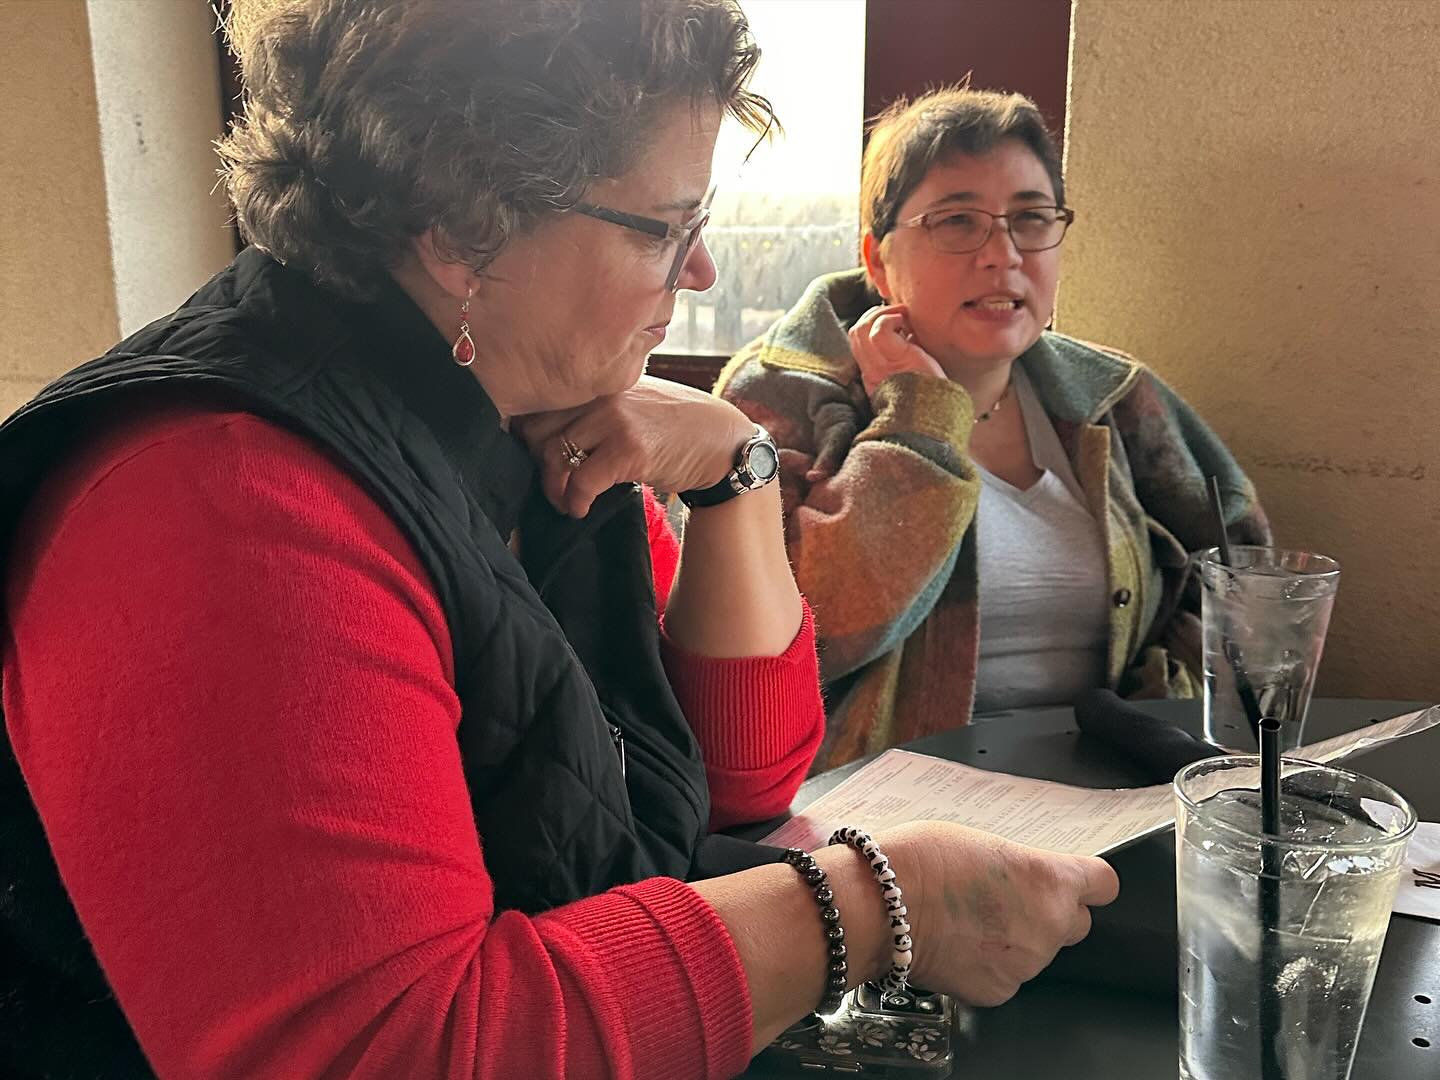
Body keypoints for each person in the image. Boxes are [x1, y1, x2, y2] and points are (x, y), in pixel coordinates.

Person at [0, 7, 1117, 1078]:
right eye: (666, 227)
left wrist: (734, 468)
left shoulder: (503, 407)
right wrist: (874, 906)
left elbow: (740, 782)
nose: (701, 273)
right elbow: (403, 1051)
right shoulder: (224, 503)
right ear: (459, 226)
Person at [718, 86, 1272, 771]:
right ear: (877, 259)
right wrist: (919, 416)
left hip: (1108, 794)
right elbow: (804, 639)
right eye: (957, 222)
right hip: (883, 819)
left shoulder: (1112, 395)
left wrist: (1167, 699)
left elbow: (1248, 567)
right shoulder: (774, 399)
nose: (1003, 253)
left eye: (1032, 218)